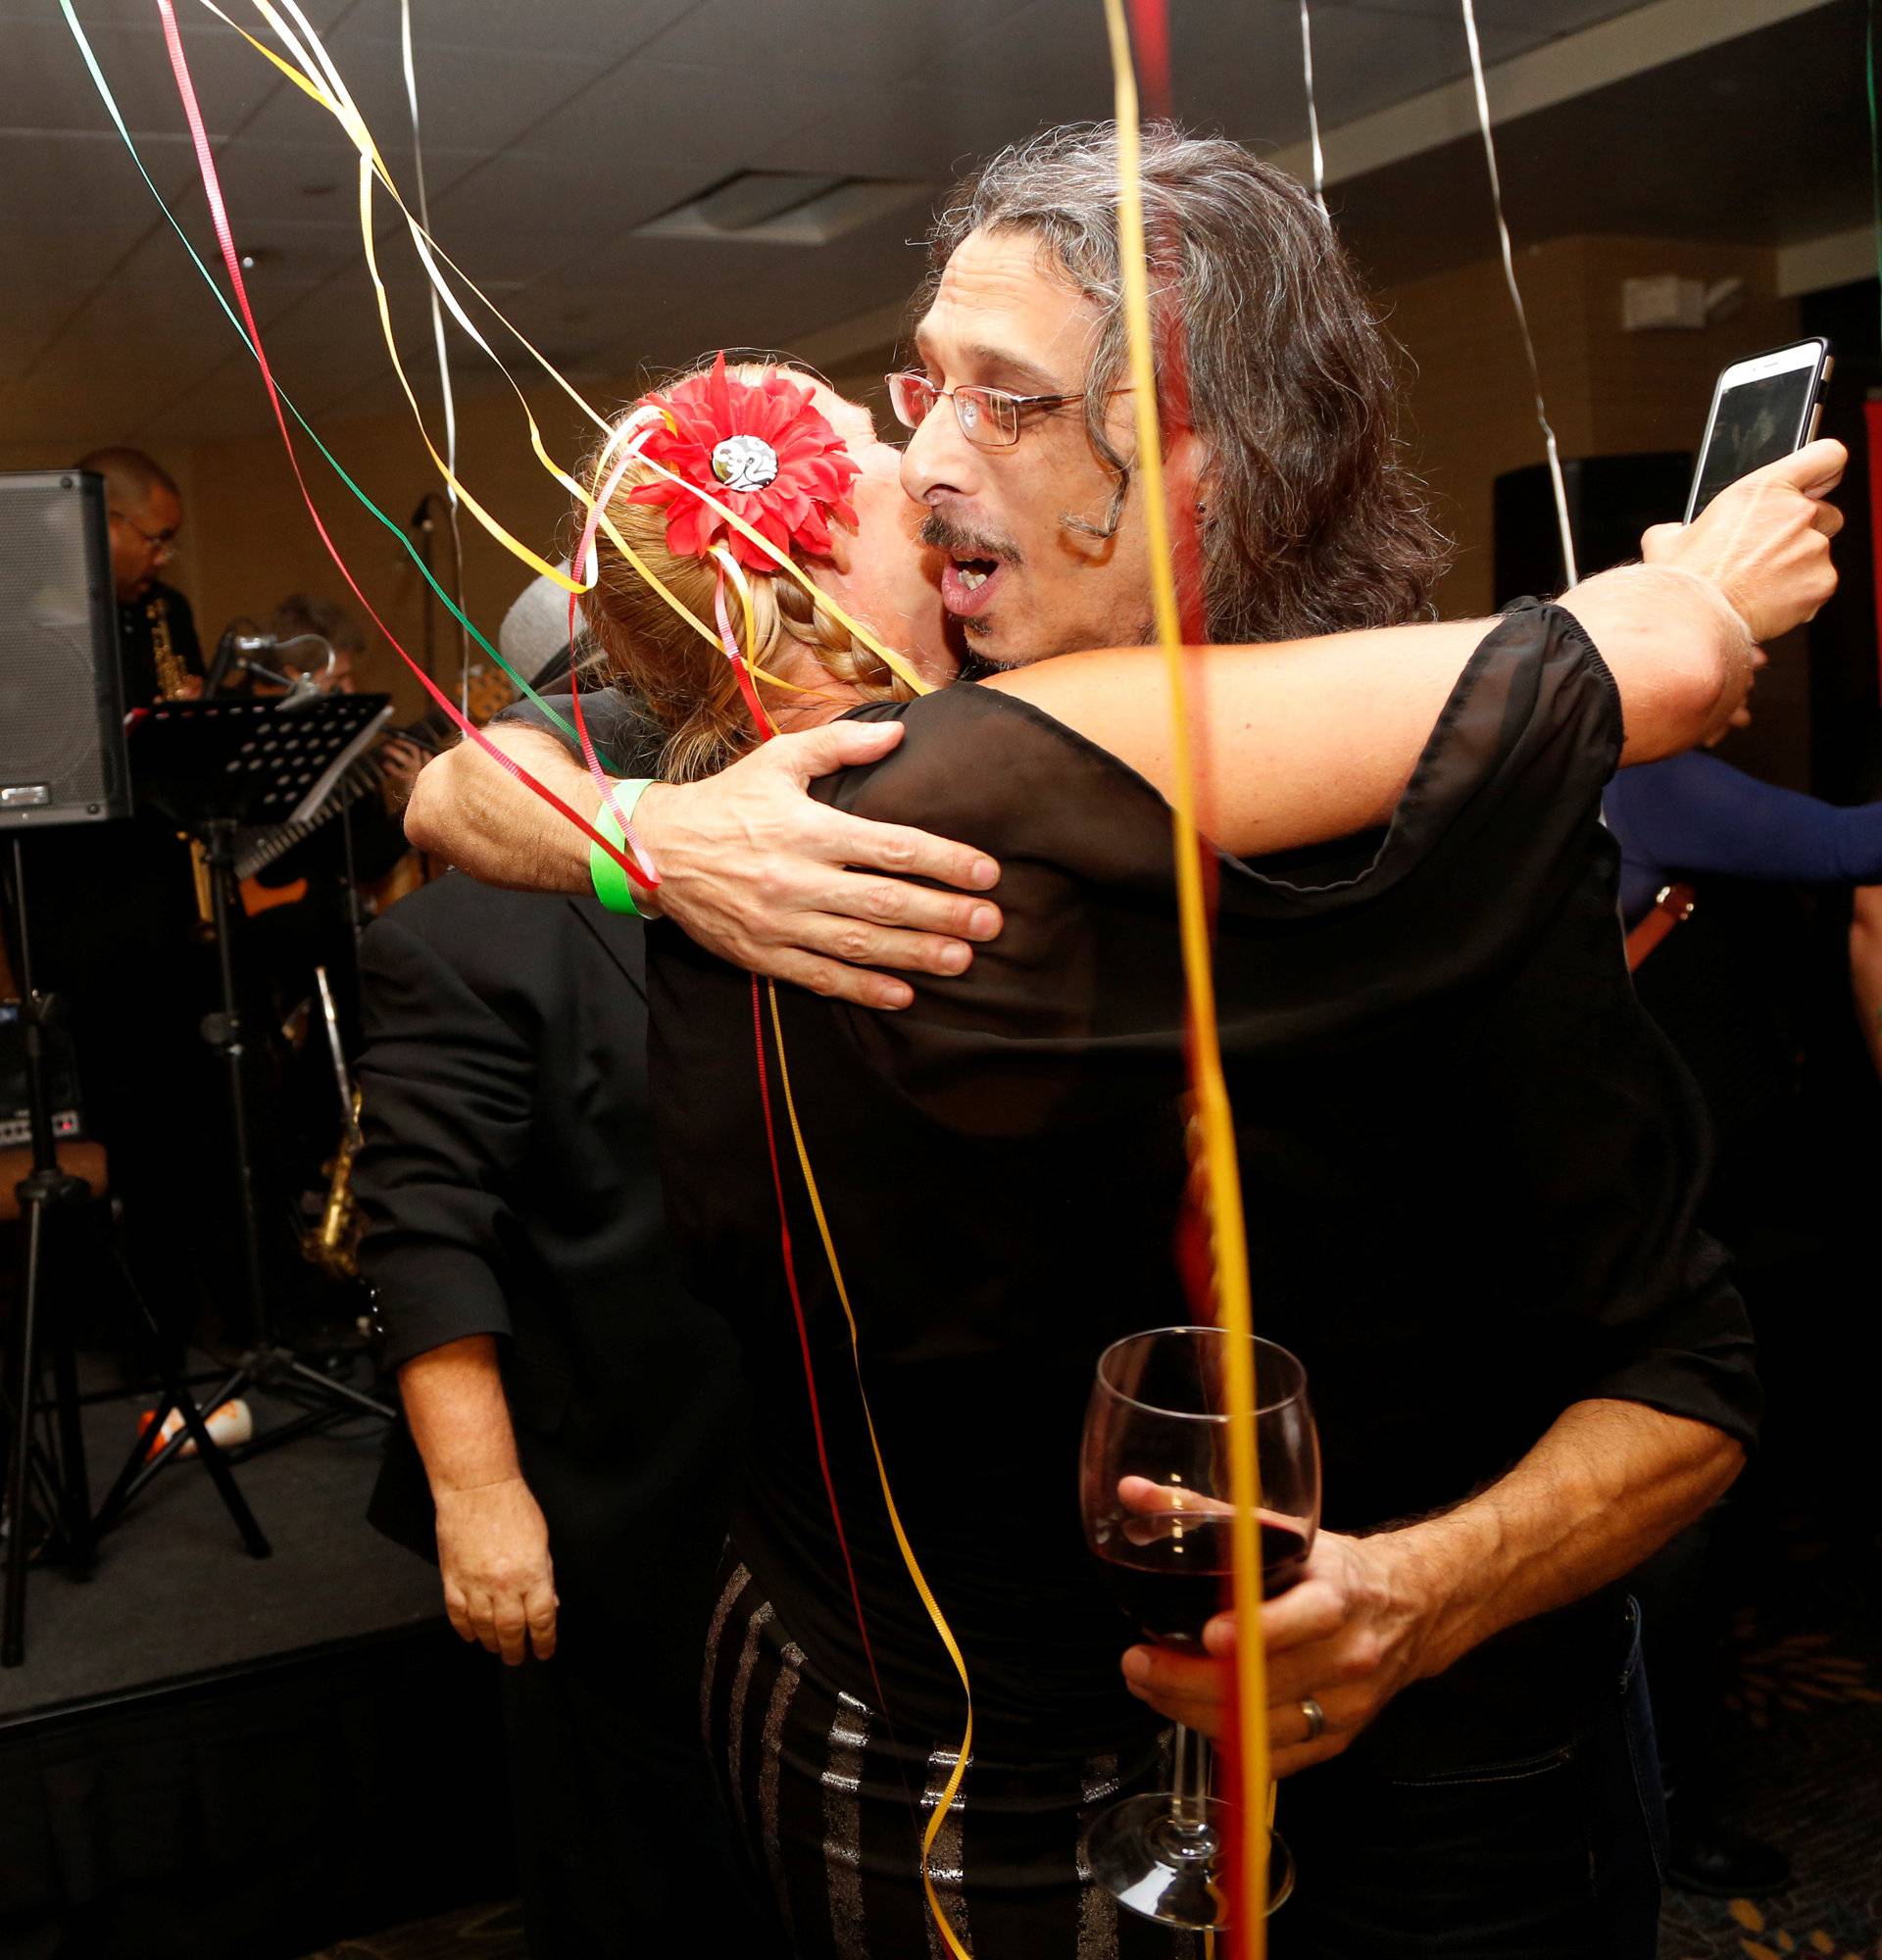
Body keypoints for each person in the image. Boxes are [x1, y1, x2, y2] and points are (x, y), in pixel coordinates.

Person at [406, 129, 1842, 1955]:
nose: (927, 456)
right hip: (896, 1720)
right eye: (922, 389)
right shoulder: (869, 772)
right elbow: (460, 774)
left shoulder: (1437, 828)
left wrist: (1421, 1592)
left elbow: (1691, 1380)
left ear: (1217, 463)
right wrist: (657, 835)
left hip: (1418, 1793)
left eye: (1007, 401)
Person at [352, 855, 757, 1956]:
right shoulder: (473, 928)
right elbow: (423, 1231)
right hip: (616, 1483)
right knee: (638, 1861)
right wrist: (477, 1492)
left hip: (804, 1470)